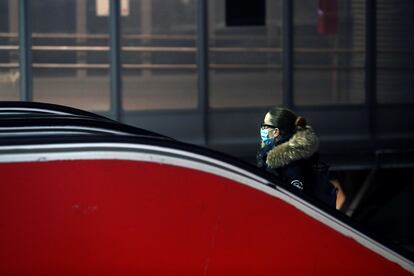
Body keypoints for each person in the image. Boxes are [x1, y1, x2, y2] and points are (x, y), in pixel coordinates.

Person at [256, 107, 320, 194]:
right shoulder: (273, 157)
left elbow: (296, 199)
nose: (262, 128)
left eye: (265, 125)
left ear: (275, 132)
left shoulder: (290, 162)